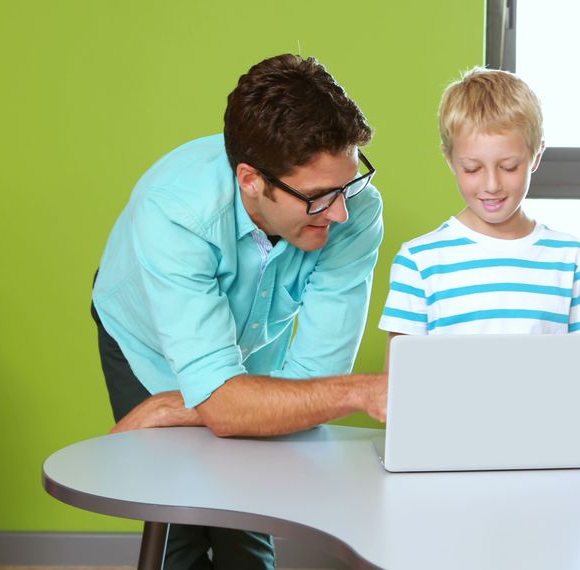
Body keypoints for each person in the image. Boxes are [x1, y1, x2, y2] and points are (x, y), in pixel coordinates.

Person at [90, 54, 387, 570]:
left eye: (348, 184)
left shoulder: (354, 211)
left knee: (248, 515)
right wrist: (361, 392)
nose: (340, 212)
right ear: (251, 179)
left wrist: (183, 407)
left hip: (253, 353)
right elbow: (237, 408)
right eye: (318, 197)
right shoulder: (176, 213)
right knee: (176, 527)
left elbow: (314, 382)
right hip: (145, 339)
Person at [378, 68, 580, 337]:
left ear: (536, 156)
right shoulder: (419, 262)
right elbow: (402, 375)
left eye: (509, 167)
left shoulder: (569, 257)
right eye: (473, 168)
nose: (492, 185)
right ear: (450, 159)